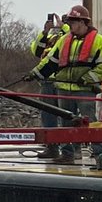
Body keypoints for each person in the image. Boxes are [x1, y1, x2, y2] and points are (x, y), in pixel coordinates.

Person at [33, 5, 102, 166]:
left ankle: (100, 153)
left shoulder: (99, 41)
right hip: (64, 88)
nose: (70, 25)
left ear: (83, 22)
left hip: (85, 90)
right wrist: (35, 73)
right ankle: (67, 153)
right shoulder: (65, 40)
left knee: (90, 123)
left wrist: (87, 78)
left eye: (73, 21)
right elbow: (50, 61)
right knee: (65, 122)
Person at [30, 12, 68, 159]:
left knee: (66, 116)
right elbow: (36, 51)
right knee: (48, 115)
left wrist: (62, 26)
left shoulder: (69, 34)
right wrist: (45, 32)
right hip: (47, 80)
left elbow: (67, 44)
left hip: (62, 80)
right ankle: (51, 147)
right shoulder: (50, 36)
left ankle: (70, 149)